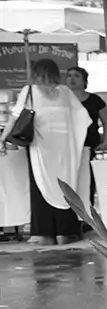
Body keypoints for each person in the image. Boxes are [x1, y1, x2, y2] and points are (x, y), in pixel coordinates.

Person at [0, 59, 90, 245]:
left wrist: (2, 139)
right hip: (65, 148)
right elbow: (84, 119)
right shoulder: (65, 92)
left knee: (41, 185)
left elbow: (15, 118)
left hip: (41, 147)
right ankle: (65, 232)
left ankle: (44, 233)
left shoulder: (30, 91)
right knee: (65, 186)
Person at [64, 66, 107, 210]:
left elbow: (106, 122)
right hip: (67, 146)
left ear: (84, 81)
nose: (72, 79)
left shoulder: (95, 100)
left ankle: (87, 211)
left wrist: (105, 141)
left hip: (89, 145)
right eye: (69, 75)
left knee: (88, 181)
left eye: (76, 76)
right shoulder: (62, 99)